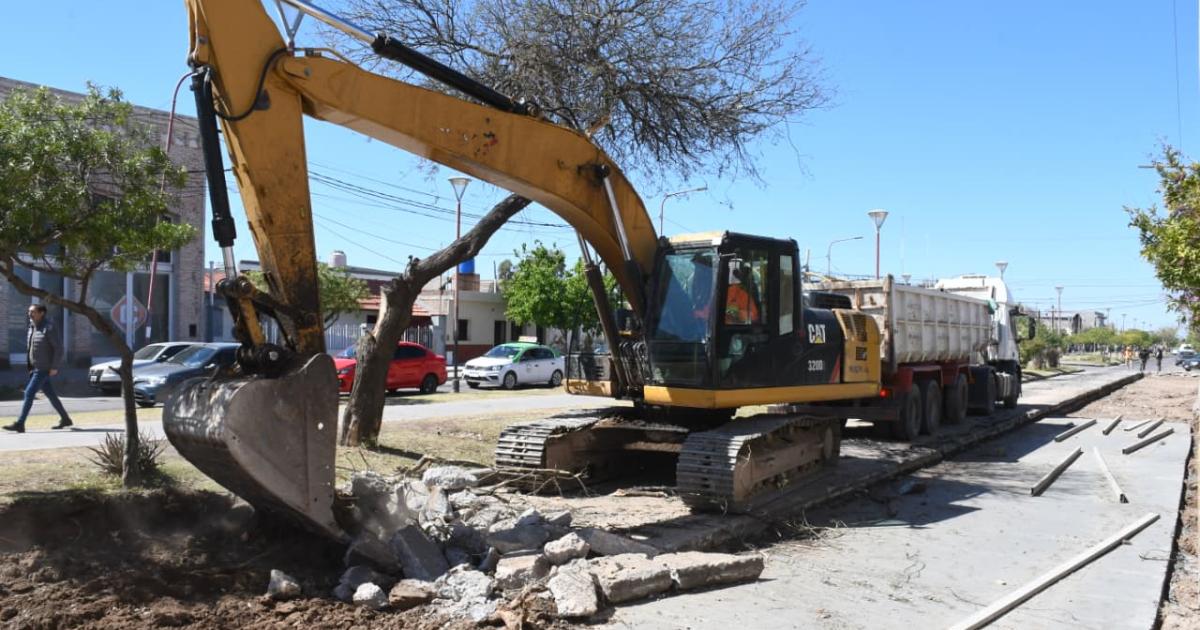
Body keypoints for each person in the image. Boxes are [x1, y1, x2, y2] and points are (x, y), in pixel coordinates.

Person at [2, 304, 73, 433]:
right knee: (51, 395)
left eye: (33, 311)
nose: (30, 314)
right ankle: (65, 419)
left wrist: (54, 367)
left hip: (44, 368)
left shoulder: (49, 327)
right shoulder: (32, 327)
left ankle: (20, 423)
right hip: (35, 367)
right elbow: (31, 348)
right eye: (29, 311)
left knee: (29, 393)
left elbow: (59, 349)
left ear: (42, 313)